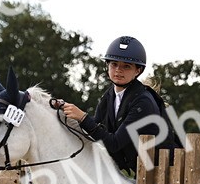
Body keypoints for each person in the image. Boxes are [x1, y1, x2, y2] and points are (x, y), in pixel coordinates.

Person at [59, 35, 183, 175]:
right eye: (114, 64)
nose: (118, 70)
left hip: (169, 175)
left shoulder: (143, 102)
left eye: (126, 66)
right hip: (142, 174)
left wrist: (82, 117)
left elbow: (114, 144)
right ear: (107, 66)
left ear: (138, 71)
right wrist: (68, 116)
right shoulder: (108, 97)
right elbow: (95, 131)